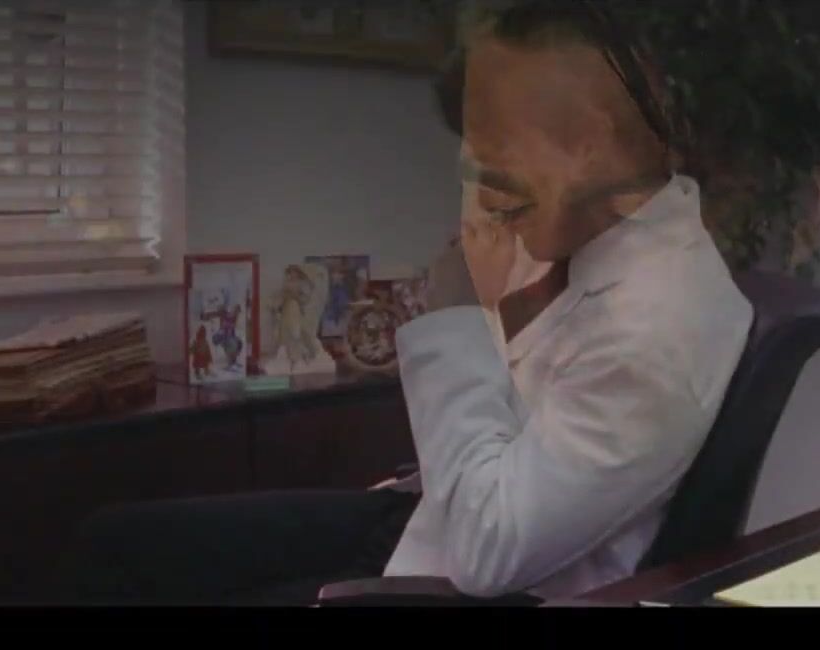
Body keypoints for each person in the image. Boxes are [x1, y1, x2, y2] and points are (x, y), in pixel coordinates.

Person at [67, 1, 751, 605]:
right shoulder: (600, 250)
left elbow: (491, 554)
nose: (483, 183)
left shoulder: (655, 326)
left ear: (588, 145)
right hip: (427, 520)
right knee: (117, 540)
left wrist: (455, 313)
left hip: (468, 579)